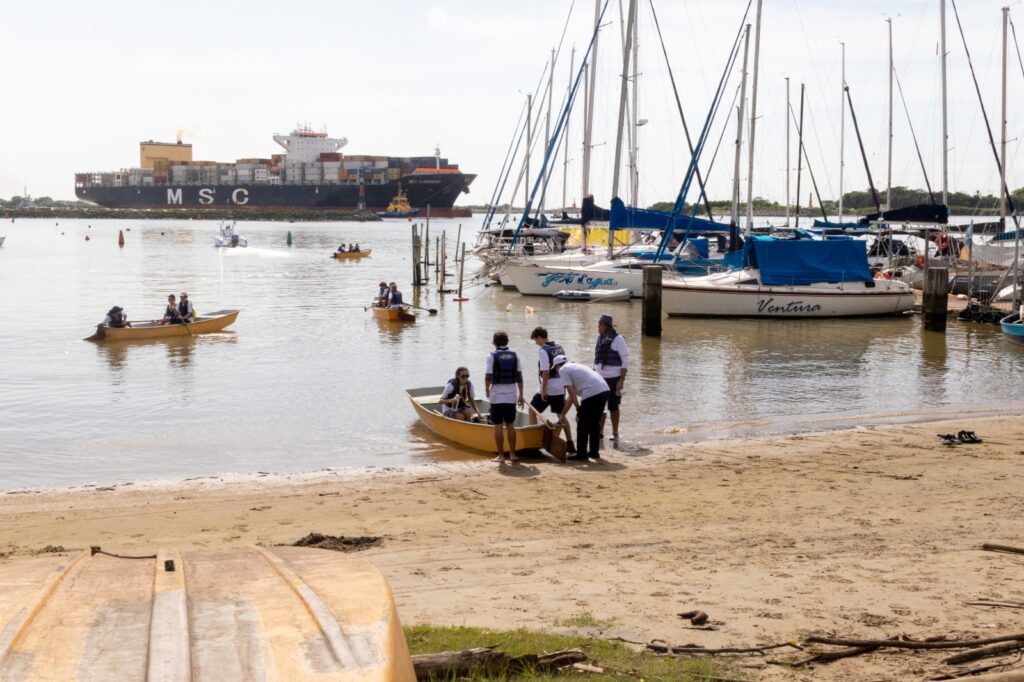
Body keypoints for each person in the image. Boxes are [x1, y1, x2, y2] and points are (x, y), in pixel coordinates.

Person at [528, 326, 576, 454]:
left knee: (532, 410)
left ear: (539, 337)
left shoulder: (543, 351)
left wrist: (543, 391)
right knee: (561, 415)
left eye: (535, 340)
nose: (536, 343)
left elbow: (545, 372)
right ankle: (570, 444)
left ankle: (533, 443)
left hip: (549, 387)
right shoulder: (559, 347)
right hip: (561, 386)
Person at [553, 355, 610, 461]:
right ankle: (594, 452)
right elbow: (571, 396)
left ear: (557, 366)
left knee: (582, 422)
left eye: (555, 369)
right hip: (604, 389)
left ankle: (581, 453)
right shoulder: (575, 366)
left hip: (592, 392)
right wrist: (563, 415)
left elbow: (571, 391)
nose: (556, 372)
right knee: (594, 423)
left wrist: (578, 409)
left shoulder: (563, 370)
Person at [485, 331, 525, 462]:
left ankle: (501, 456)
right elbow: (519, 377)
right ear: (507, 341)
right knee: (510, 425)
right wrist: (521, 395)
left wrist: (486, 389)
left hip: (496, 395)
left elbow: (488, 376)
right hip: (511, 395)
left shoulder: (491, 356)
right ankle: (512, 454)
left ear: (494, 342)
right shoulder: (515, 355)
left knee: (497, 425)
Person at [594, 314, 628, 443]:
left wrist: (621, 380)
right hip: (599, 378)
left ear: (607, 326)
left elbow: (625, 360)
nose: (598, 327)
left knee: (613, 407)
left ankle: (615, 432)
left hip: (614, 378)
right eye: (598, 325)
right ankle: (600, 432)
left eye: (600, 325)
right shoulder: (599, 338)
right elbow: (596, 357)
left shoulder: (618, 339)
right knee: (600, 407)